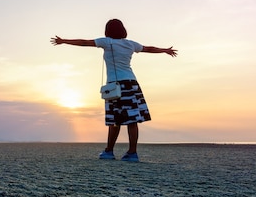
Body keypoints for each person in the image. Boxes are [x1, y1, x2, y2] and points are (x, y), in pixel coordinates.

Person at [50, 19, 177, 162]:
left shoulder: (106, 42)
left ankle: (109, 151)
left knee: (114, 120)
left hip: (115, 86)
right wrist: (165, 50)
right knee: (132, 120)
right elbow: (149, 48)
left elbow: (85, 42)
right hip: (131, 84)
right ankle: (132, 153)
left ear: (108, 30)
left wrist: (64, 41)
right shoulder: (130, 44)